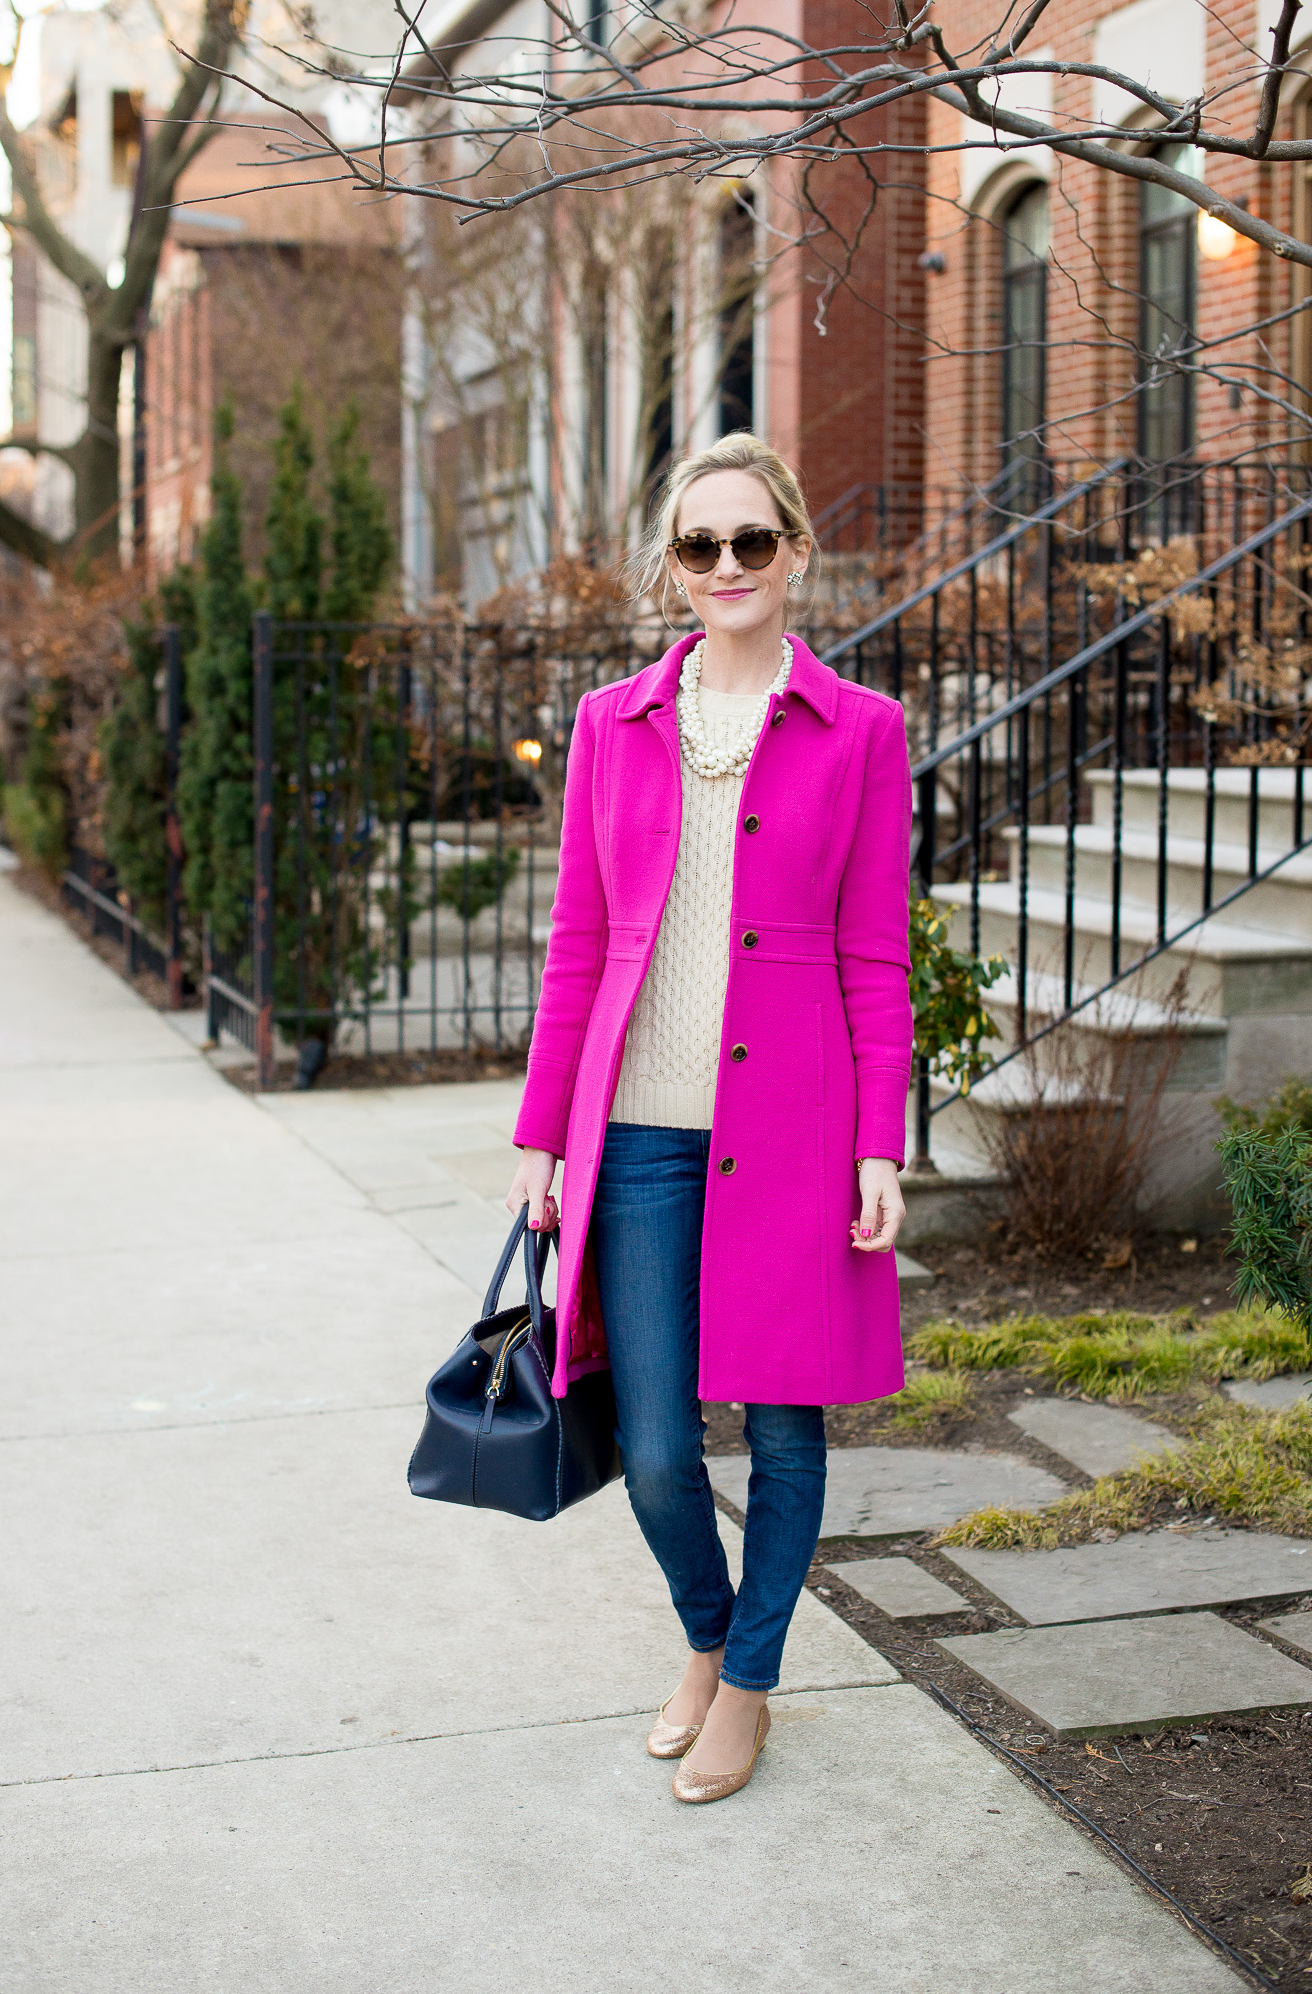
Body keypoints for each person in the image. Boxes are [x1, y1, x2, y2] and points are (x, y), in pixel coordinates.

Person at [506, 432, 912, 1804]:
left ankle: (748, 1681)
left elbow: (875, 954)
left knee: (787, 1431)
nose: (727, 565)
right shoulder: (612, 725)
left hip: (795, 1134)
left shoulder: (861, 731)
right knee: (662, 1444)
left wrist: (877, 1142)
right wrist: (542, 1136)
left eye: (751, 539)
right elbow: (577, 942)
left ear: (795, 550)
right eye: (700, 545)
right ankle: (705, 1633)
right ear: (672, 566)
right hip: (637, 1137)